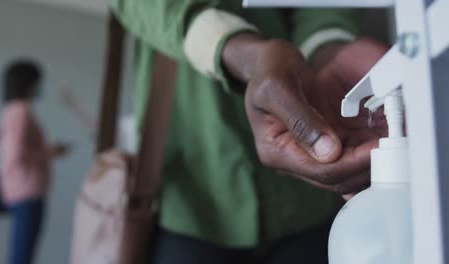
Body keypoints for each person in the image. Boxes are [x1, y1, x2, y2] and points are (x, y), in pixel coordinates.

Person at [111, 2, 388, 263]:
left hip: (308, 206)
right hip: (189, 194)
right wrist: (240, 52)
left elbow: (322, 10)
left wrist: (327, 50)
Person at [0, 60, 69, 264]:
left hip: (19, 189)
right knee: (22, 257)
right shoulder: (20, 112)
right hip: (26, 191)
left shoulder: (11, 110)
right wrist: (51, 152)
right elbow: (16, 156)